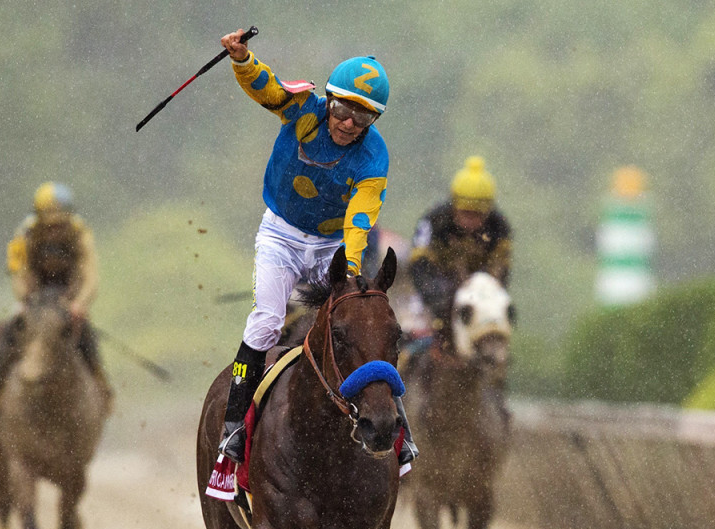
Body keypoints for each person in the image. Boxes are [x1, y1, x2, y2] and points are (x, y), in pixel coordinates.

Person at [215, 27, 415, 466]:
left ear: (373, 121)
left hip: (330, 246)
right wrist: (243, 60)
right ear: (329, 99)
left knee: (365, 320)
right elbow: (267, 89)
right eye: (343, 109)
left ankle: (400, 432)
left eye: (361, 118)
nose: (347, 123)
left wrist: (350, 266)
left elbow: (360, 218)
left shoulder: (374, 158)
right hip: (281, 236)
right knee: (267, 322)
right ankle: (233, 427)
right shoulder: (303, 109)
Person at [0, 182, 110, 406]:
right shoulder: (25, 235)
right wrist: (26, 298)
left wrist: (80, 303)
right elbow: (18, 273)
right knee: (12, 328)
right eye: (49, 226)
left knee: (86, 335)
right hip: (35, 297)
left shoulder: (81, 234)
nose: (54, 231)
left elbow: (90, 276)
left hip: (68, 298)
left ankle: (101, 384)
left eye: (59, 225)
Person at [406, 155, 513, 334]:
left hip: (477, 296)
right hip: (433, 289)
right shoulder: (434, 221)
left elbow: (501, 271)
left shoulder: (499, 228)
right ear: (454, 205)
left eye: (477, 215)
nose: (470, 221)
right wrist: (439, 296)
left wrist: (477, 292)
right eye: (465, 213)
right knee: (410, 330)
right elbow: (419, 265)